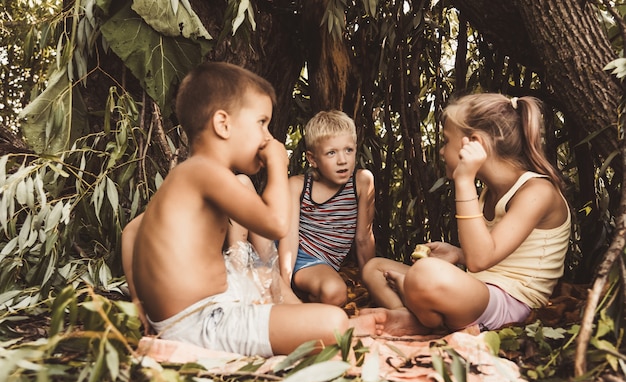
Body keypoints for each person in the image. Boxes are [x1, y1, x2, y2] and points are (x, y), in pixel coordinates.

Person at [121, 62, 382, 357]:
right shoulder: (206, 172)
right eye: (261, 123)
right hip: (203, 323)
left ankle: (295, 317)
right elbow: (275, 224)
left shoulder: (189, 176)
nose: (268, 138)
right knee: (333, 324)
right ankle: (304, 323)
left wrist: (138, 303)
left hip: (203, 306)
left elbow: (131, 231)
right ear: (223, 124)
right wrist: (277, 163)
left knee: (266, 275)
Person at [361, 93, 571, 336]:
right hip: (479, 290)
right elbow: (494, 253)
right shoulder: (489, 192)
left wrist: (464, 180)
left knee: (424, 274)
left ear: (474, 144)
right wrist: (458, 254)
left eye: (446, 140)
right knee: (374, 268)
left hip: (512, 303)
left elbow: (481, 259)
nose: (441, 151)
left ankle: (416, 312)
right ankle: (408, 315)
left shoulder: (537, 192)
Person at [278, 110, 376, 306]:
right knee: (334, 292)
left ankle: (310, 296)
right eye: (331, 153)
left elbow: (364, 237)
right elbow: (289, 238)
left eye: (348, 150)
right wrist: (285, 288)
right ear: (312, 159)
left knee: (334, 293)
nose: (342, 160)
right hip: (298, 255)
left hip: (323, 263)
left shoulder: (362, 182)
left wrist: (371, 282)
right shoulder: (298, 186)